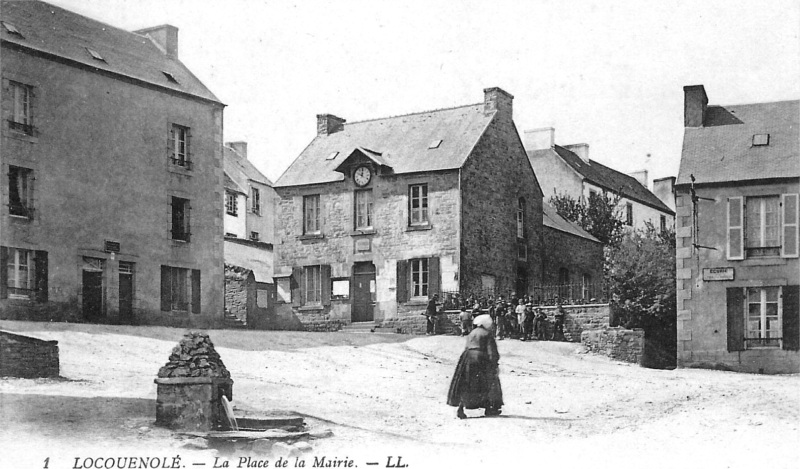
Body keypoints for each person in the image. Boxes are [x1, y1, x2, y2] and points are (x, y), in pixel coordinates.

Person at [447, 314, 503, 418]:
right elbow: (492, 352)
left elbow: (467, 346)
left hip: (467, 357)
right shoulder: (487, 334)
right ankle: (490, 408)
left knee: (467, 383)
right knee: (489, 382)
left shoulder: (471, 333)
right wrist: (495, 364)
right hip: (481, 358)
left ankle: (461, 407)